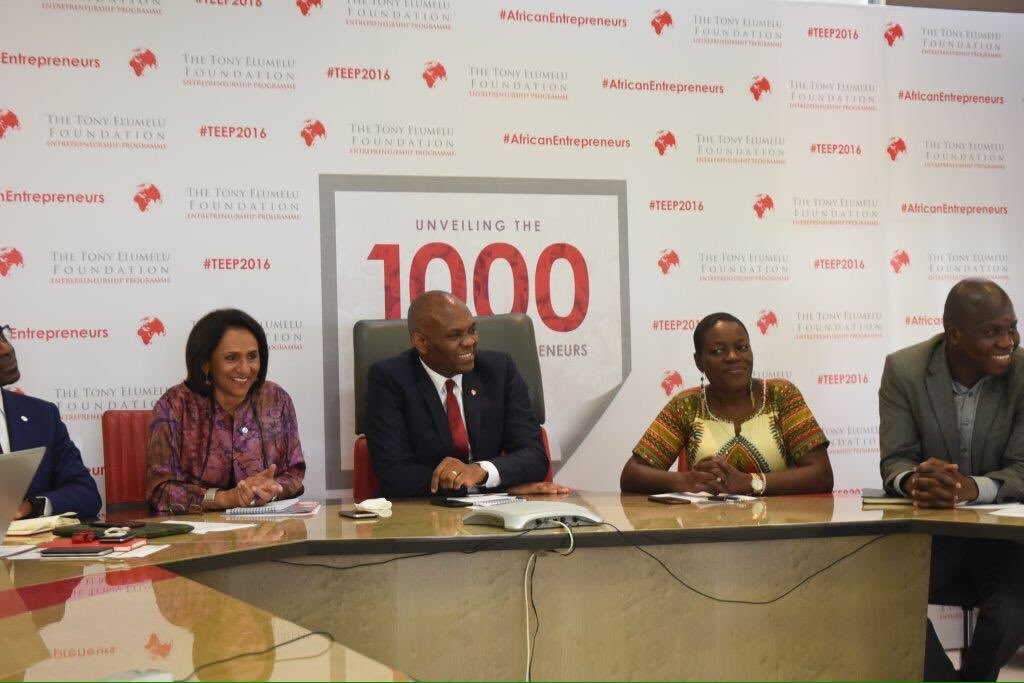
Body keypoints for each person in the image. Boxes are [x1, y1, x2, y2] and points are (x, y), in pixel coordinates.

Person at [879, 278, 1024, 681]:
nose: (1008, 340)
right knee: (887, 598)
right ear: (954, 334)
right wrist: (915, 482)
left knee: (1015, 606)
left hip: (1002, 541)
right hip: (931, 535)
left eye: (1012, 327)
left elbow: (1021, 468)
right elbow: (895, 461)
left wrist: (971, 488)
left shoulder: (1023, 374)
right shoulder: (905, 369)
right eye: (992, 331)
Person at [364, 290, 567, 498]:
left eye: (472, 330)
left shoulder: (499, 370)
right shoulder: (390, 379)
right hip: (424, 513)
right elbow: (395, 474)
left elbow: (534, 457)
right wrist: (492, 487)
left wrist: (481, 472)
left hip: (494, 515)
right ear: (421, 342)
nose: (470, 341)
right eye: (455, 335)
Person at [622, 312, 833, 496]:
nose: (733, 357)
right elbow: (632, 475)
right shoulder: (687, 405)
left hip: (780, 530)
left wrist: (751, 483)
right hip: (710, 531)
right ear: (699, 361)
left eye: (742, 347)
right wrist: (686, 481)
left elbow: (821, 475)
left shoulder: (781, 395)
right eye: (717, 351)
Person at [147, 309, 306, 514]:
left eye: (252, 357)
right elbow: (160, 491)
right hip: (198, 535)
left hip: (266, 527)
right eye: (231, 358)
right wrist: (225, 499)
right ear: (206, 363)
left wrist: (269, 490)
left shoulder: (276, 399)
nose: (245, 368)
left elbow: (294, 474)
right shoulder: (174, 406)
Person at [0, 324, 101, 519]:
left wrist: (32, 506)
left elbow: (86, 494)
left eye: (2, 337)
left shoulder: (42, 415)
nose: (6, 349)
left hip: (35, 548)